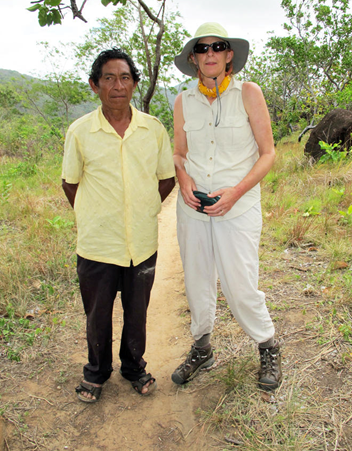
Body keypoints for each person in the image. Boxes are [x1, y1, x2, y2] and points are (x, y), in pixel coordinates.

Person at [172, 22, 282, 390]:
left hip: (238, 204)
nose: (210, 54)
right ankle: (202, 348)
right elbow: (178, 153)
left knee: (240, 282)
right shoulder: (183, 100)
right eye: (202, 49)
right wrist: (184, 181)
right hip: (193, 206)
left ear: (229, 54)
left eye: (217, 47)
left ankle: (267, 345)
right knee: (197, 279)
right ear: (193, 58)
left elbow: (268, 154)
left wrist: (234, 192)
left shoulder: (248, 93)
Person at [62, 48, 175, 402]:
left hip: (141, 242)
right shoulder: (80, 132)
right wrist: (94, 216)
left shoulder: (152, 130)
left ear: (135, 84)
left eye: (125, 77)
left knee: (137, 313)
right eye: (108, 78)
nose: (117, 85)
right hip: (97, 243)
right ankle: (95, 372)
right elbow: (70, 182)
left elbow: (166, 179)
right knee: (97, 314)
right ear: (95, 85)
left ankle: (133, 367)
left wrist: (143, 209)